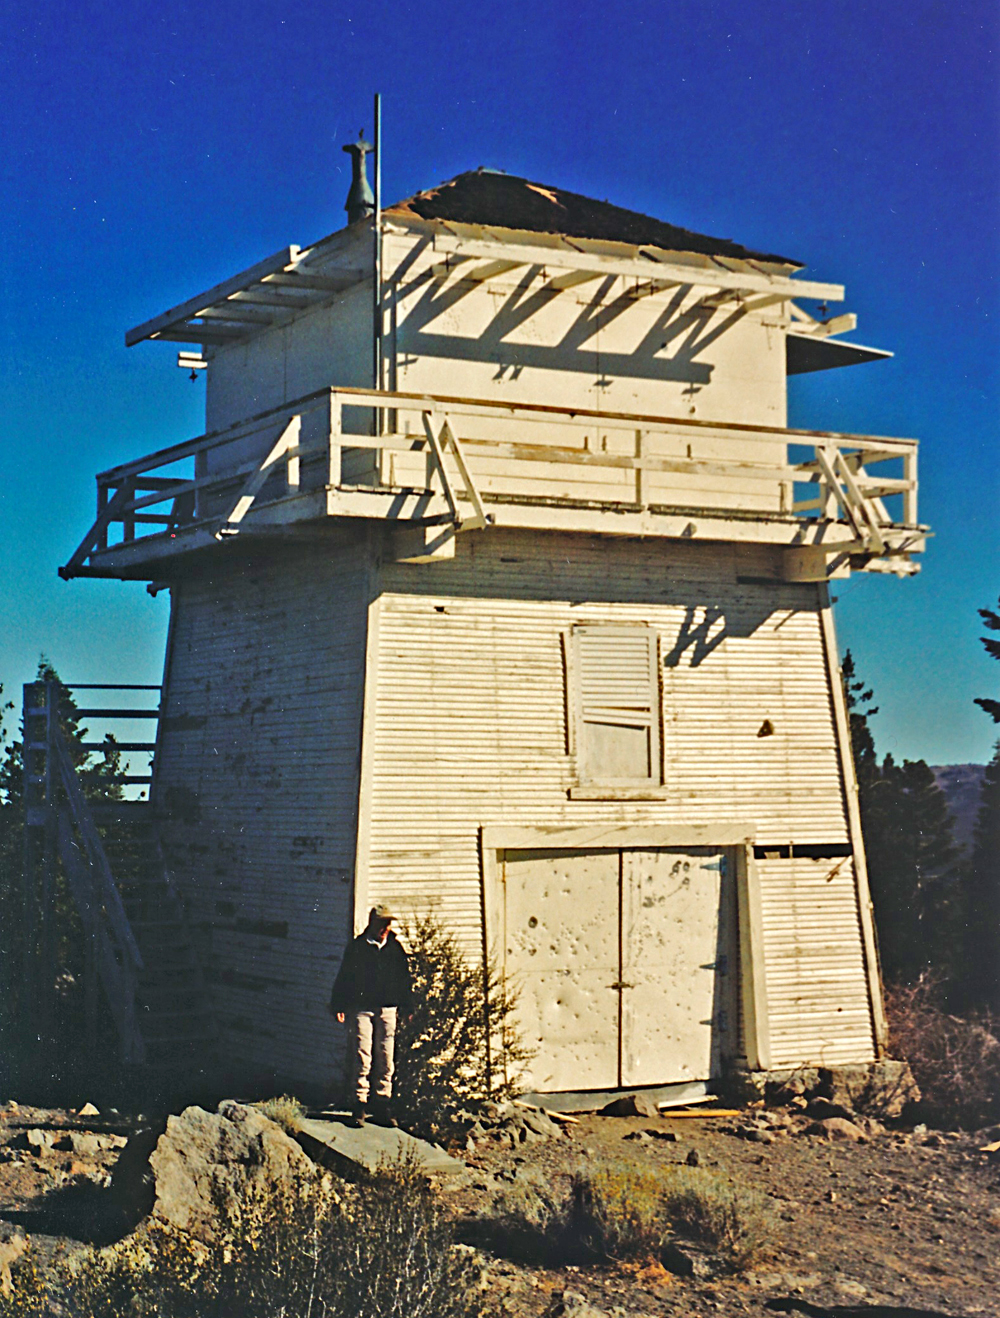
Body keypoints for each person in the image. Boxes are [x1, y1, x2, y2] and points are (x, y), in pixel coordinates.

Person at [329, 903, 413, 1128]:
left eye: (388, 923)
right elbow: (345, 977)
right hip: (361, 1008)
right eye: (382, 923)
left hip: (387, 1008)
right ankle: (359, 1105)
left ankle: (382, 1105)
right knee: (362, 1055)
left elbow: (404, 980)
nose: (385, 928)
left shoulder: (395, 948)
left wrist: (408, 1006)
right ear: (372, 923)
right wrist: (339, 1005)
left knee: (386, 1056)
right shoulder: (358, 947)